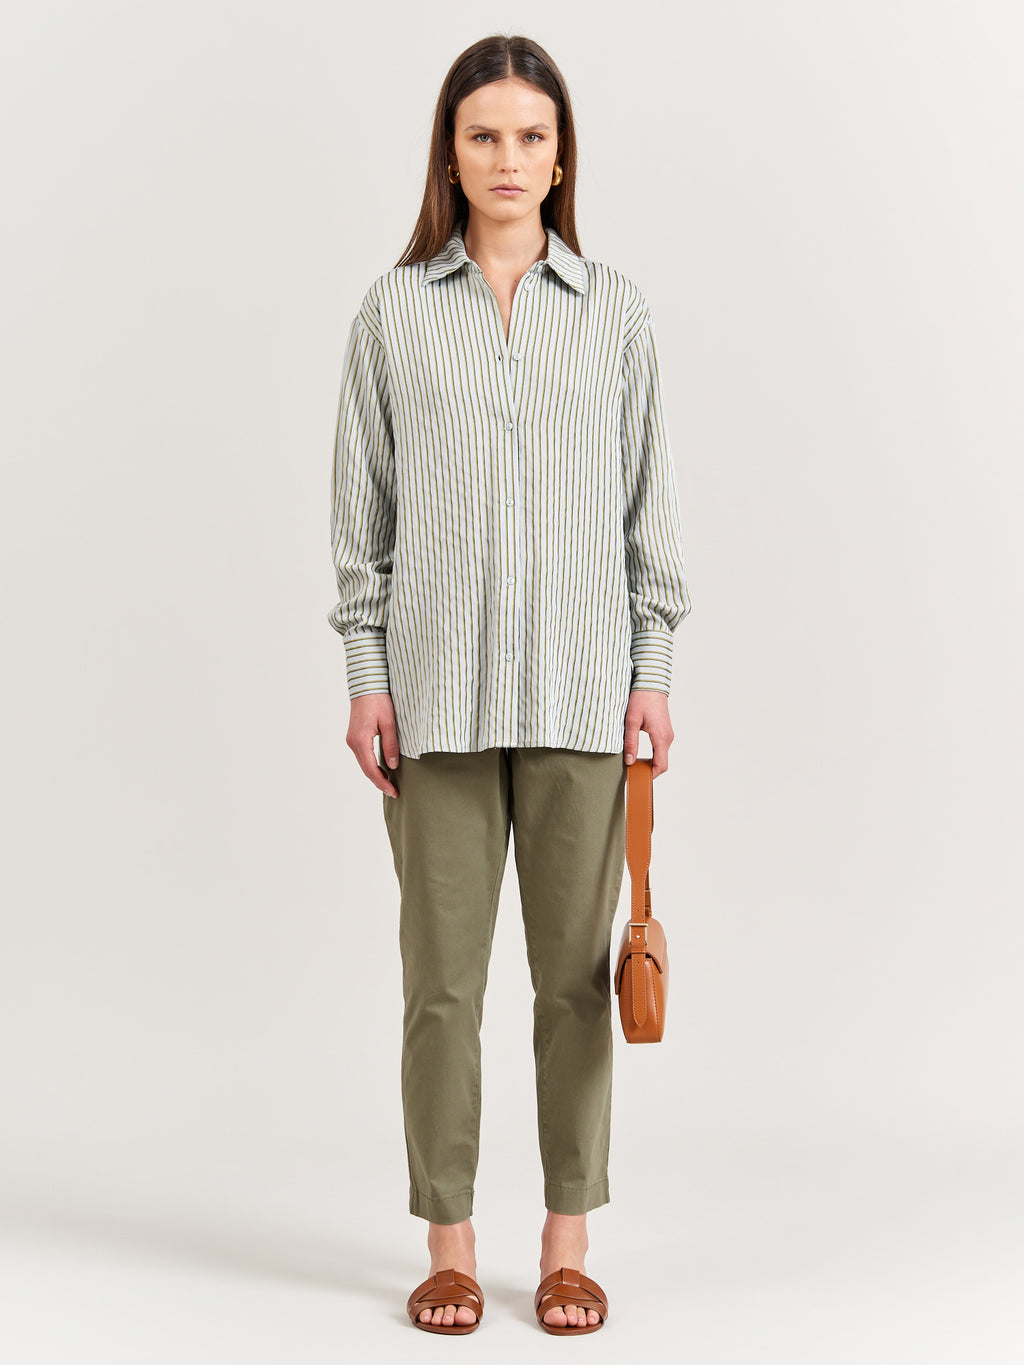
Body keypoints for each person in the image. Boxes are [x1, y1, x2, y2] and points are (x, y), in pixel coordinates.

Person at [328, 33, 692, 1336]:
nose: (508, 159)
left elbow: (651, 515)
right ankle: (448, 1244)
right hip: (434, 700)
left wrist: (652, 672)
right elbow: (361, 521)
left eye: (531, 137)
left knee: (573, 983)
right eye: (484, 135)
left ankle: (567, 1244)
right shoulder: (391, 314)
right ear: (450, 152)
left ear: (561, 156)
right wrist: (367, 677)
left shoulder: (617, 314)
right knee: (441, 987)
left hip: (585, 696)